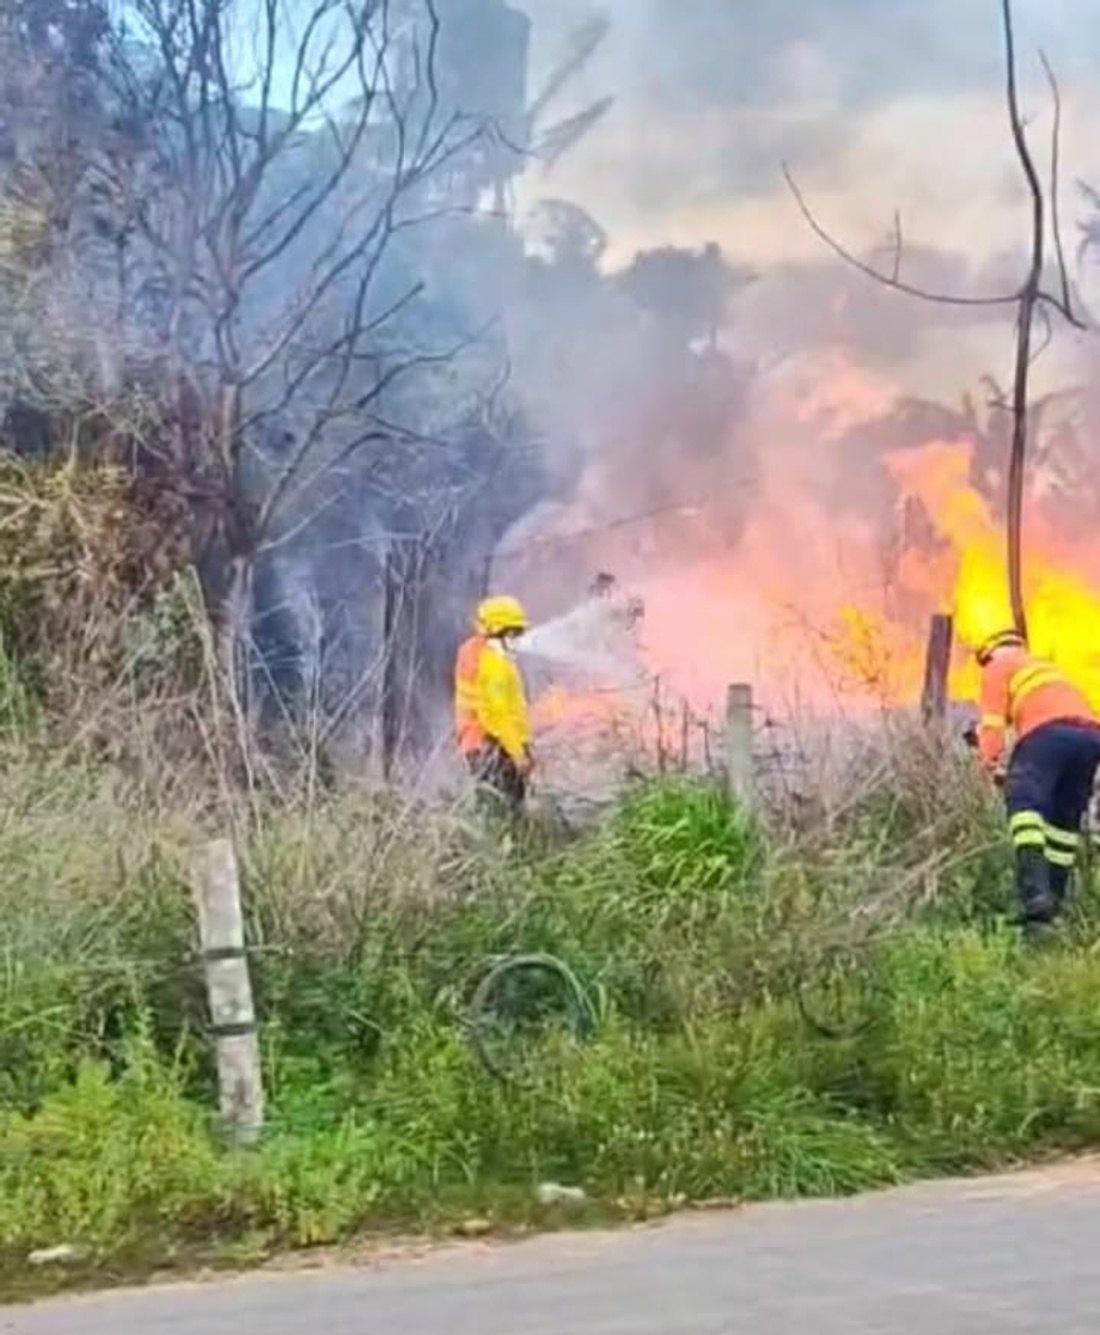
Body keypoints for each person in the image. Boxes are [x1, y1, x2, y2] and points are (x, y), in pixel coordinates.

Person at [972, 627, 1100, 930]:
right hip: (1090, 737)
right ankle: (1051, 907)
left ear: (992, 651)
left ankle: (1035, 894)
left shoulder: (998, 665)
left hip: (1047, 733)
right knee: (1062, 823)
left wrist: (991, 764)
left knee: (1023, 800)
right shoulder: (1049, 671)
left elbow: (992, 722)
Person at [454, 595, 533, 814]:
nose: (519, 638)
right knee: (507, 814)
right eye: (515, 633)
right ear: (498, 631)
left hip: (482, 747)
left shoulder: (478, 654)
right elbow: (497, 714)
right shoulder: (494, 664)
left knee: (492, 810)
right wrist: (518, 754)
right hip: (495, 748)